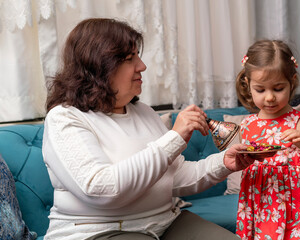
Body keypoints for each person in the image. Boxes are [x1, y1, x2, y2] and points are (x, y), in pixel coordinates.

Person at [42, 18, 252, 240]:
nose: (142, 66)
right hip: (99, 230)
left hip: (165, 223)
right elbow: (101, 189)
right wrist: (174, 138)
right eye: (130, 59)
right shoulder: (64, 118)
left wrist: (225, 163)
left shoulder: (143, 111)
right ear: (101, 66)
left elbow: (176, 178)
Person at [235, 39, 300, 239]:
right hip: (257, 213)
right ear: (248, 84)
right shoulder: (247, 125)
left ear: (292, 82)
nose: (269, 97)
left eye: (278, 89)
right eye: (261, 89)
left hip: (294, 215)